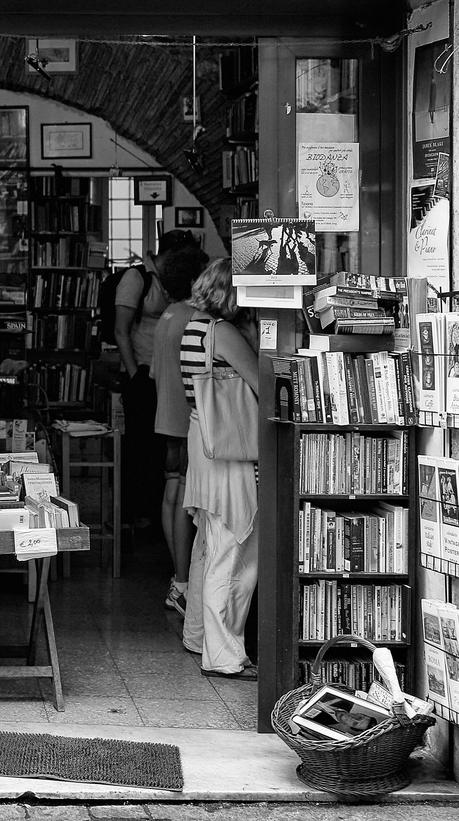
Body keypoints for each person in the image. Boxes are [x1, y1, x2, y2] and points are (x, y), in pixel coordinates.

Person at [179, 258, 260, 679]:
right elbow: (262, 383)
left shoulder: (195, 328)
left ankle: (198, 636)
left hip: (205, 443)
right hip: (229, 450)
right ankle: (225, 656)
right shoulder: (223, 332)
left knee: (210, 546)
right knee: (233, 552)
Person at [113, 230, 196, 534]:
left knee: (162, 449)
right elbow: (120, 330)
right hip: (142, 373)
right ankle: (140, 516)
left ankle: (161, 518)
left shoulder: (173, 282)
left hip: (168, 374)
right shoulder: (137, 279)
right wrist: (135, 374)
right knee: (141, 447)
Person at [149, 242, 211, 614]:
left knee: (172, 491)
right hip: (188, 417)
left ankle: (178, 578)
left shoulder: (168, 314)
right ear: (194, 279)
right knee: (185, 498)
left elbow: (157, 370)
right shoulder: (194, 318)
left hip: (166, 414)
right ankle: (184, 581)